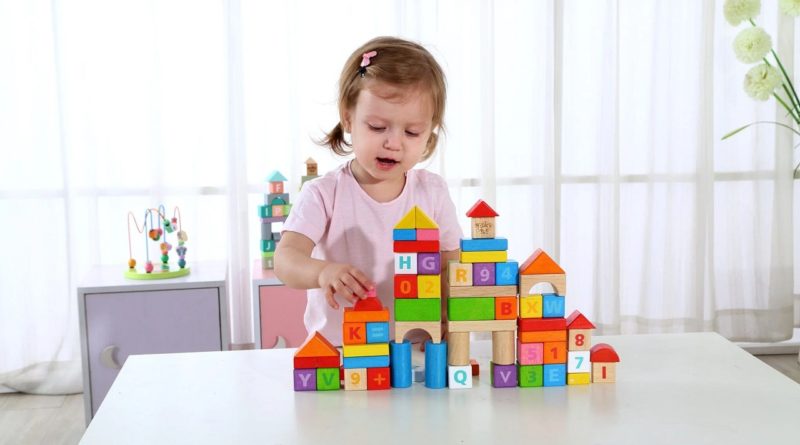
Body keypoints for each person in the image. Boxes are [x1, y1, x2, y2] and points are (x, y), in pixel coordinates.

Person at [274, 36, 462, 346]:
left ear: (429, 133)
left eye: (412, 131)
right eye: (377, 127)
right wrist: (323, 273)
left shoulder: (433, 193)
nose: (393, 142)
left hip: (415, 350)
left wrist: (447, 309)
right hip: (341, 352)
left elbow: (450, 265)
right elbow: (286, 259)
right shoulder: (324, 194)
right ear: (348, 118)